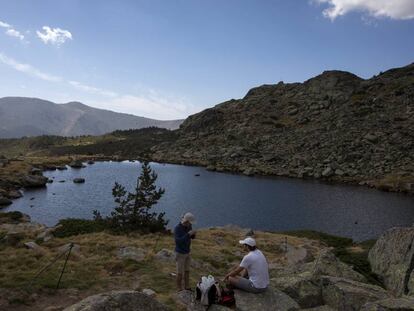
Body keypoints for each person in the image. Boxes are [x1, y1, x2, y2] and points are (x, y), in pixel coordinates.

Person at [174, 212, 196, 291]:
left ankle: (187, 287)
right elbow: (178, 241)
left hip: (187, 252)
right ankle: (179, 288)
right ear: (186, 221)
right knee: (180, 272)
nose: (190, 224)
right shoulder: (177, 228)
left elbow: (191, 237)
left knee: (187, 271)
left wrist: (193, 234)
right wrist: (188, 234)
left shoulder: (189, 226)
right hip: (180, 253)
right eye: (189, 223)